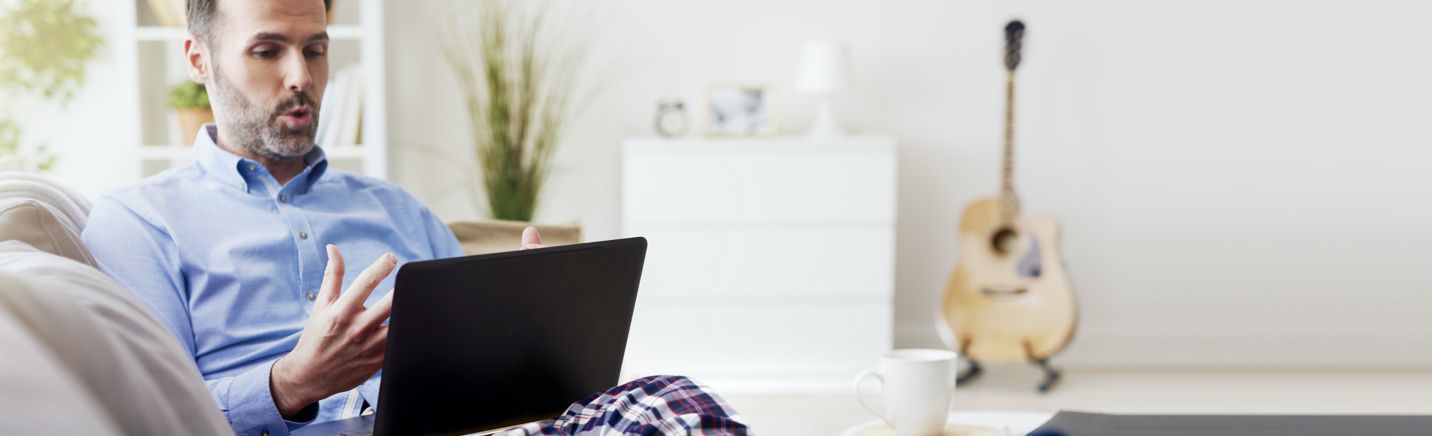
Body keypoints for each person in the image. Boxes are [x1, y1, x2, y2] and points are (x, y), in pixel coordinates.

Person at [80, 0, 746, 435]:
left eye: (315, 49)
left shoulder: (397, 208)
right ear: (199, 60)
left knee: (677, 404)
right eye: (267, 50)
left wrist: (531, 333)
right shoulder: (138, 223)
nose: (301, 77)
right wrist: (294, 381)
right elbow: (149, 413)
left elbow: (482, 381)